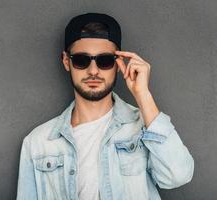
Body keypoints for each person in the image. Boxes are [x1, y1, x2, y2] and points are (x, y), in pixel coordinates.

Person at [16, 12, 194, 200]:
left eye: (105, 61)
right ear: (66, 61)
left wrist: (143, 95)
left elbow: (178, 176)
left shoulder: (145, 127)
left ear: (118, 64)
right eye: (81, 60)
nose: (93, 71)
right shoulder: (38, 143)